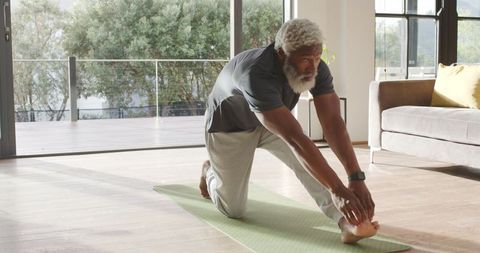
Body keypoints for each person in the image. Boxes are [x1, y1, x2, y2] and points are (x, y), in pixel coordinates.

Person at [199, 18, 379, 243]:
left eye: (316, 58)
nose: (313, 67)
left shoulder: (317, 68)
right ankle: (210, 173)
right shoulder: (256, 73)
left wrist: (355, 177)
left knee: (307, 164)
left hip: (271, 124)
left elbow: (332, 121)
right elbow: (295, 139)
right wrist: (338, 189)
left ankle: (345, 223)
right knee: (233, 209)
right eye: (305, 60)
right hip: (230, 128)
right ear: (282, 54)